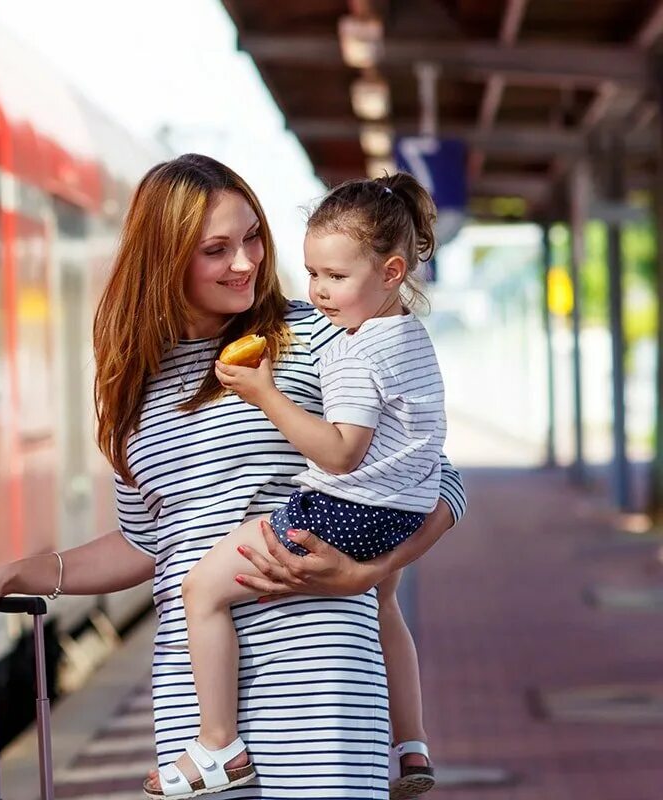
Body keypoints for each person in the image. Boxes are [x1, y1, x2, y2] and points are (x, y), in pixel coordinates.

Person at [0, 155, 466, 798]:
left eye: (252, 238)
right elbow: (145, 545)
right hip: (197, 713)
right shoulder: (136, 387)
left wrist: (366, 575)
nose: (246, 263)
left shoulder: (321, 335)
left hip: (320, 690)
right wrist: (13, 574)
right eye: (217, 249)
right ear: (166, 257)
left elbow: (437, 478)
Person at [158, 172, 446, 799]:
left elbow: (342, 452)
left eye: (254, 240)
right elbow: (145, 535)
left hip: (342, 519)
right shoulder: (408, 337)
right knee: (389, 604)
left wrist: (265, 394)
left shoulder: (341, 343)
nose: (315, 292)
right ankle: (412, 744)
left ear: (392, 272)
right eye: (312, 274)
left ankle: (216, 746)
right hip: (395, 508)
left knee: (201, 588)